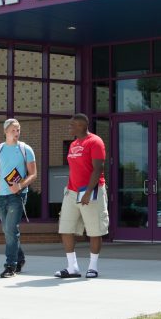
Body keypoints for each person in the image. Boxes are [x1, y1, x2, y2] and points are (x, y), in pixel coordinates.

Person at [55, 113, 109, 279]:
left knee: (94, 230)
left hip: (91, 191)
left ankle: (93, 267)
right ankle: (72, 268)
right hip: (71, 192)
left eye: (72, 125)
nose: (69, 127)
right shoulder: (73, 145)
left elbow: (98, 168)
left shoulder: (95, 141)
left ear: (81, 126)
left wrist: (87, 192)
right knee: (65, 229)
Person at [0, 118, 37, 278]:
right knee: (8, 231)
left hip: (18, 195)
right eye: (13, 130)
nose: (16, 133)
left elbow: (33, 174)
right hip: (2, 196)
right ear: (6, 131)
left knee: (11, 230)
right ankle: (19, 258)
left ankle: (10, 266)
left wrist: (20, 186)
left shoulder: (25, 149)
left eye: (18, 130)